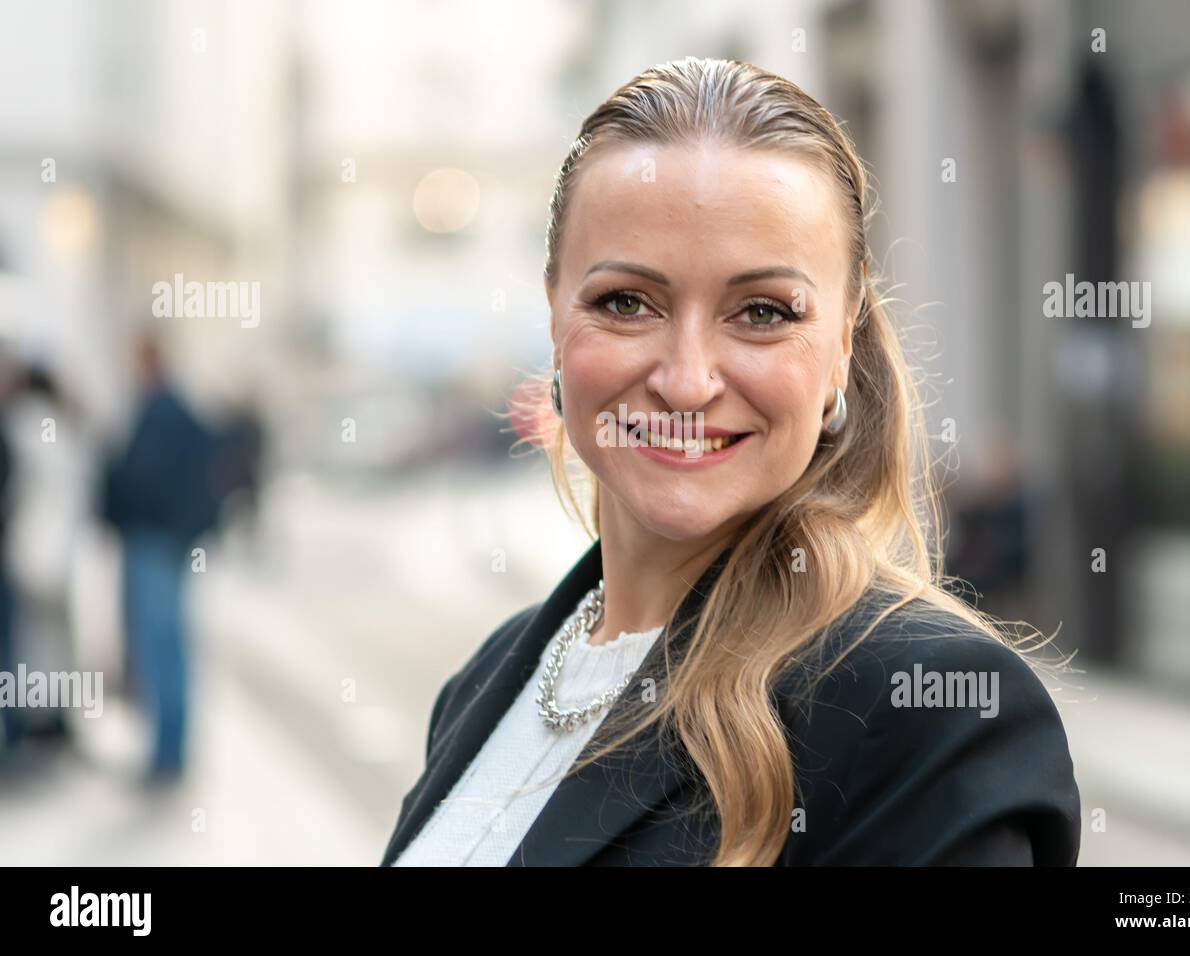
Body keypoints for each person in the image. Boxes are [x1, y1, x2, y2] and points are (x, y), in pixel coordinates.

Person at [382, 57, 1081, 867]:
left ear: (840, 347)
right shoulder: (492, 676)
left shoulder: (926, 712)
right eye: (625, 303)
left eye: (761, 313)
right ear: (554, 317)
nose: (686, 381)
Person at [101, 336, 220, 783]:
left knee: (162, 648)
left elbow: (150, 478)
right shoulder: (167, 409)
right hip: (162, 542)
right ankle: (166, 749)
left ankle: (168, 753)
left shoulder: (163, 411)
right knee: (164, 647)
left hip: (157, 543)